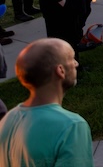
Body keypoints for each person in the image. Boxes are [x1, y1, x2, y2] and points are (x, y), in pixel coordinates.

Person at [0, 38, 93, 167]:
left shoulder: (7, 120)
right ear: (60, 71)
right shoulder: (71, 126)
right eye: (71, 58)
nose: (76, 63)